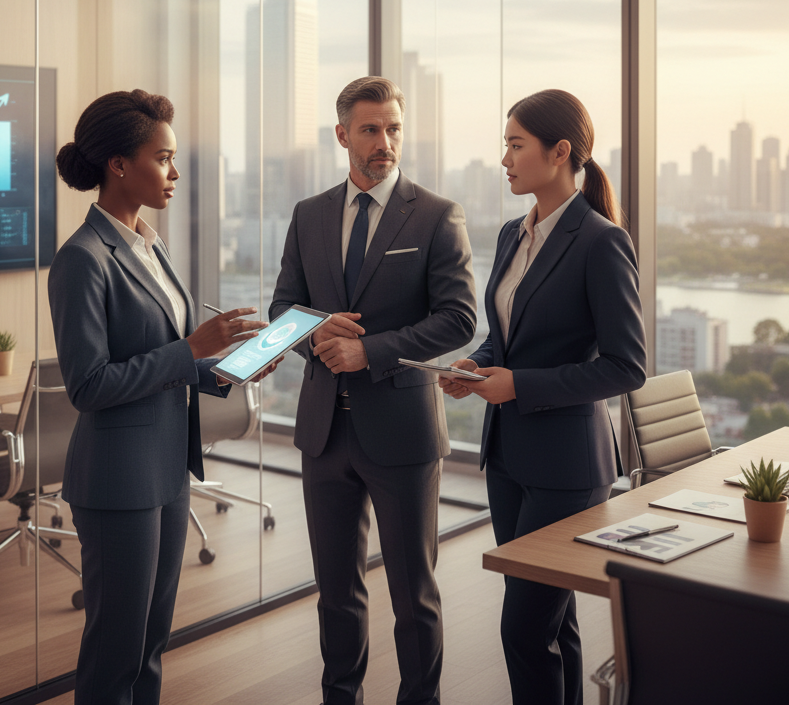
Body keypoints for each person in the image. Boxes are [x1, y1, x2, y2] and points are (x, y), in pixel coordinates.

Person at [48, 89, 267, 705]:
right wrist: (191, 351)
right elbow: (89, 386)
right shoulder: (82, 261)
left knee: (149, 642)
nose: (174, 173)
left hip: (168, 470)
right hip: (117, 480)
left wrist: (226, 368)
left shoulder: (150, 244)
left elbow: (172, 357)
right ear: (119, 165)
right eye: (163, 158)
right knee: (115, 647)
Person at [270, 76, 477, 705]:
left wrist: (371, 350)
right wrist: (315, 333)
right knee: (336, 594)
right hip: (324, 431)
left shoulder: (437, 215)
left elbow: (461, 318)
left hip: (403, 431)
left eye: (392, 128)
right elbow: (284, 310)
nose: (384, 141)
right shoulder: (309, 215)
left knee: (414, 596)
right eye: (369, 129)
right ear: (342, 135)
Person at [439, 89, 647, 705]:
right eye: (505, 143)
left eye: (515, 144)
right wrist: (477, 364)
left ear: (559, 153)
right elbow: (507, 334)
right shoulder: (512, 233)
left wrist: (517, 385)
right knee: (553, 624)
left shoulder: (601, 241)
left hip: (566, 467)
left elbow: (626, 367)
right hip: (507, 457)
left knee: (523, 630)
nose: (504, 157)